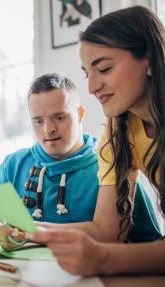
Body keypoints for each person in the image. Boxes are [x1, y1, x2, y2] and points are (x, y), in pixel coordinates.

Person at [30, 6, 165, 275]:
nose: (92, 88)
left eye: (104, 68)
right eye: (86, 74)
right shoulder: (119, 133)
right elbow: (104, 230)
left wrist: (103, 258)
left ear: (148, 59)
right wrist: (28, 231)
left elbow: (105, 246)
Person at [0, 73, 160, 250]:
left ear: (80, 114)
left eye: (59, 117)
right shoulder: (12, 166)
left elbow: (150, 244)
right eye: (38, 121)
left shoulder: (114, 165)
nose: (48, 129)